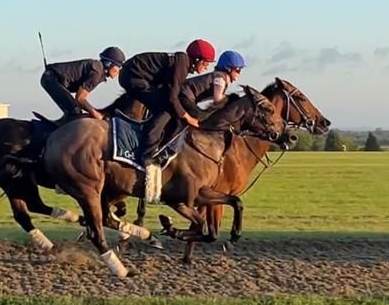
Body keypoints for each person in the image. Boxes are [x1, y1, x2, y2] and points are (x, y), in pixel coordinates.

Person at [118, 40, 216, 201]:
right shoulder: (182, 63)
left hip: (138, 75)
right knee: (166, 108)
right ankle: (148, 152)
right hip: (132, 76)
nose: (206, 67)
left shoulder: (182, 63)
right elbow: (172, 98)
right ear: (197, 59)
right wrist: (187, 117)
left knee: (170, 108)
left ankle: (160, 145)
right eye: (206, 63)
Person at [40, 47, 126, 120]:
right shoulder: (97, 73)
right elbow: (80, 98)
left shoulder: (98, 70)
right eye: (118, 66)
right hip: (51, 78)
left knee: (75, 111)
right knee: (75, 112)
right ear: (109, 64)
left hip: (52, 77)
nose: (119, 71)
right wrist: (96, 113)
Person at [179, 50, 246, 117]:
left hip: (188, 96)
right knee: (201, 117)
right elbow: (218, 100)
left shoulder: (221, 77)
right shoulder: (220, 79)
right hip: (184, 94)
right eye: (238, 70)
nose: (239, 74)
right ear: (228, 69)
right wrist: (233, 99)